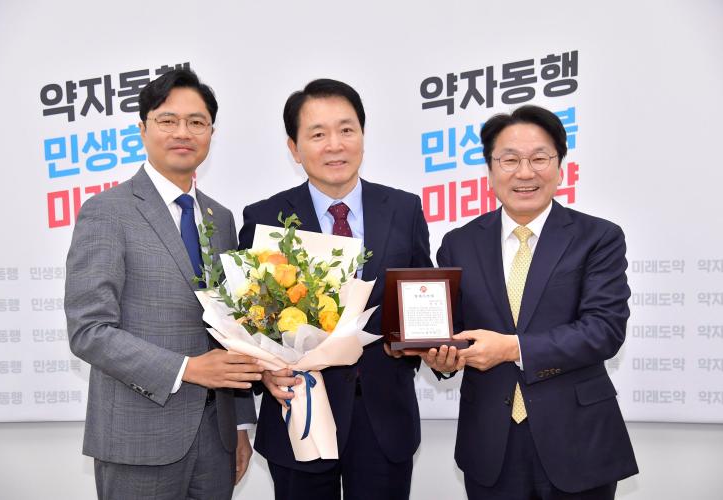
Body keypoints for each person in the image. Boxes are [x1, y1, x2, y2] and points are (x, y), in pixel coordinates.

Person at [65, 68, 263, 500]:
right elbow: (89, 331)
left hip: (217, 438)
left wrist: (240, 425)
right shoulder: (107, 212)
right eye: (168, 120)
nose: (183, 132)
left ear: (211, 133)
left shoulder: (220, 218)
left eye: (197, 122)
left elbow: (233, 331)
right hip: (138, 436)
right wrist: (187, 369)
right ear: (143, 129)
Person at [425, 104, 638, 499]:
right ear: (490, 171)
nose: (525, 173)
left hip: (577, 440)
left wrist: (512, 348)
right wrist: (442, 357)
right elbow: (452, 331)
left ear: (560, 167)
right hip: (490, 440)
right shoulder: (459, 243)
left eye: (539, 158)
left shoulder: (599, 237)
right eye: (509, 160)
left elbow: (604, 330)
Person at [238, 78, 432, 500]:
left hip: (384, 417)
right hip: (298, 411)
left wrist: (429, 347)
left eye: (346, 130)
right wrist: (264, 371)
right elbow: (249, 319)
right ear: (294, 148)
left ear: (362, 135)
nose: (335, 145)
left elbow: (423, 299)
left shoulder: (404, 209)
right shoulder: (264, 217)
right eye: (318, 134)